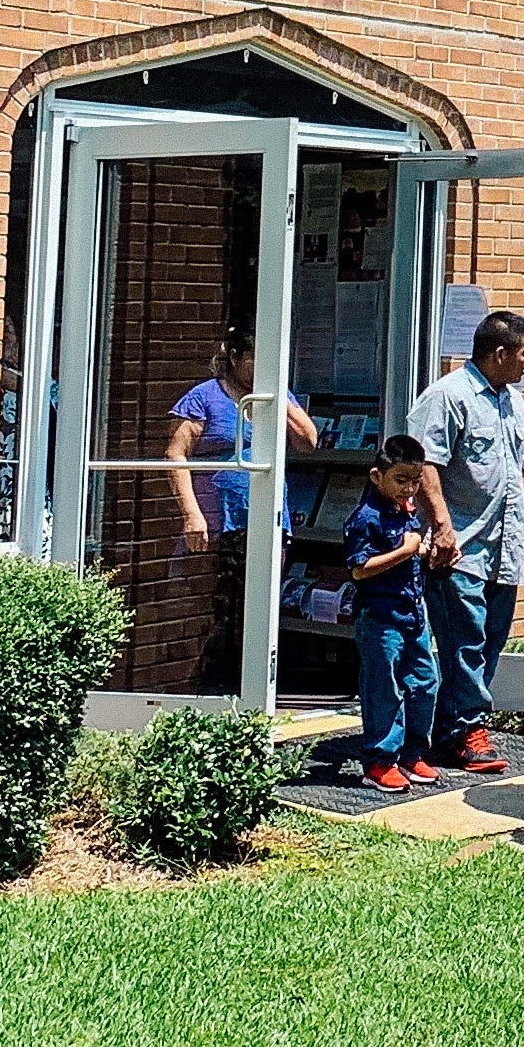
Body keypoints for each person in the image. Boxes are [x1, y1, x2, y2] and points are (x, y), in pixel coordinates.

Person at [403, 307, 524, 778]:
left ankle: (453, 732)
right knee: (464, 643)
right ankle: (468, 730)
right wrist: (442, 526)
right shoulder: (448, 397)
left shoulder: (512, 401)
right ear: (500, 352)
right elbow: (425, 465)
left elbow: (522, 466)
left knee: (489, 641)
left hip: (504, 549)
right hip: (461, 547)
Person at [164, 331, 323, 693]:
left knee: (255, 610)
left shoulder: (274, 395)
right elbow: (175, 454)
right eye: (254, 359)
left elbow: (308, 441)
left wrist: (277, 394)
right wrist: (191, 514)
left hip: (265, 521)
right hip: (218, 521)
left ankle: (246, 689)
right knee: (218, 610)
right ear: (234, 357)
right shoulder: (205, 397)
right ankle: (208, 690)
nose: (260, 367)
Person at [339, 435, 442, 794]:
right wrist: (406, 550)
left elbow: (411, 550)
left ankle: (412, 754)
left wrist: (423, 551)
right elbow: (359, 568)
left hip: (413, 611)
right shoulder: (366, 519)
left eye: (415, 481)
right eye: (401, 480)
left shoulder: (406, 510)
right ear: (376, 476)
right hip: (380, 616)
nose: (409, 489)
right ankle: (380, 762)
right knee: (385, 687)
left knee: (425, 681)